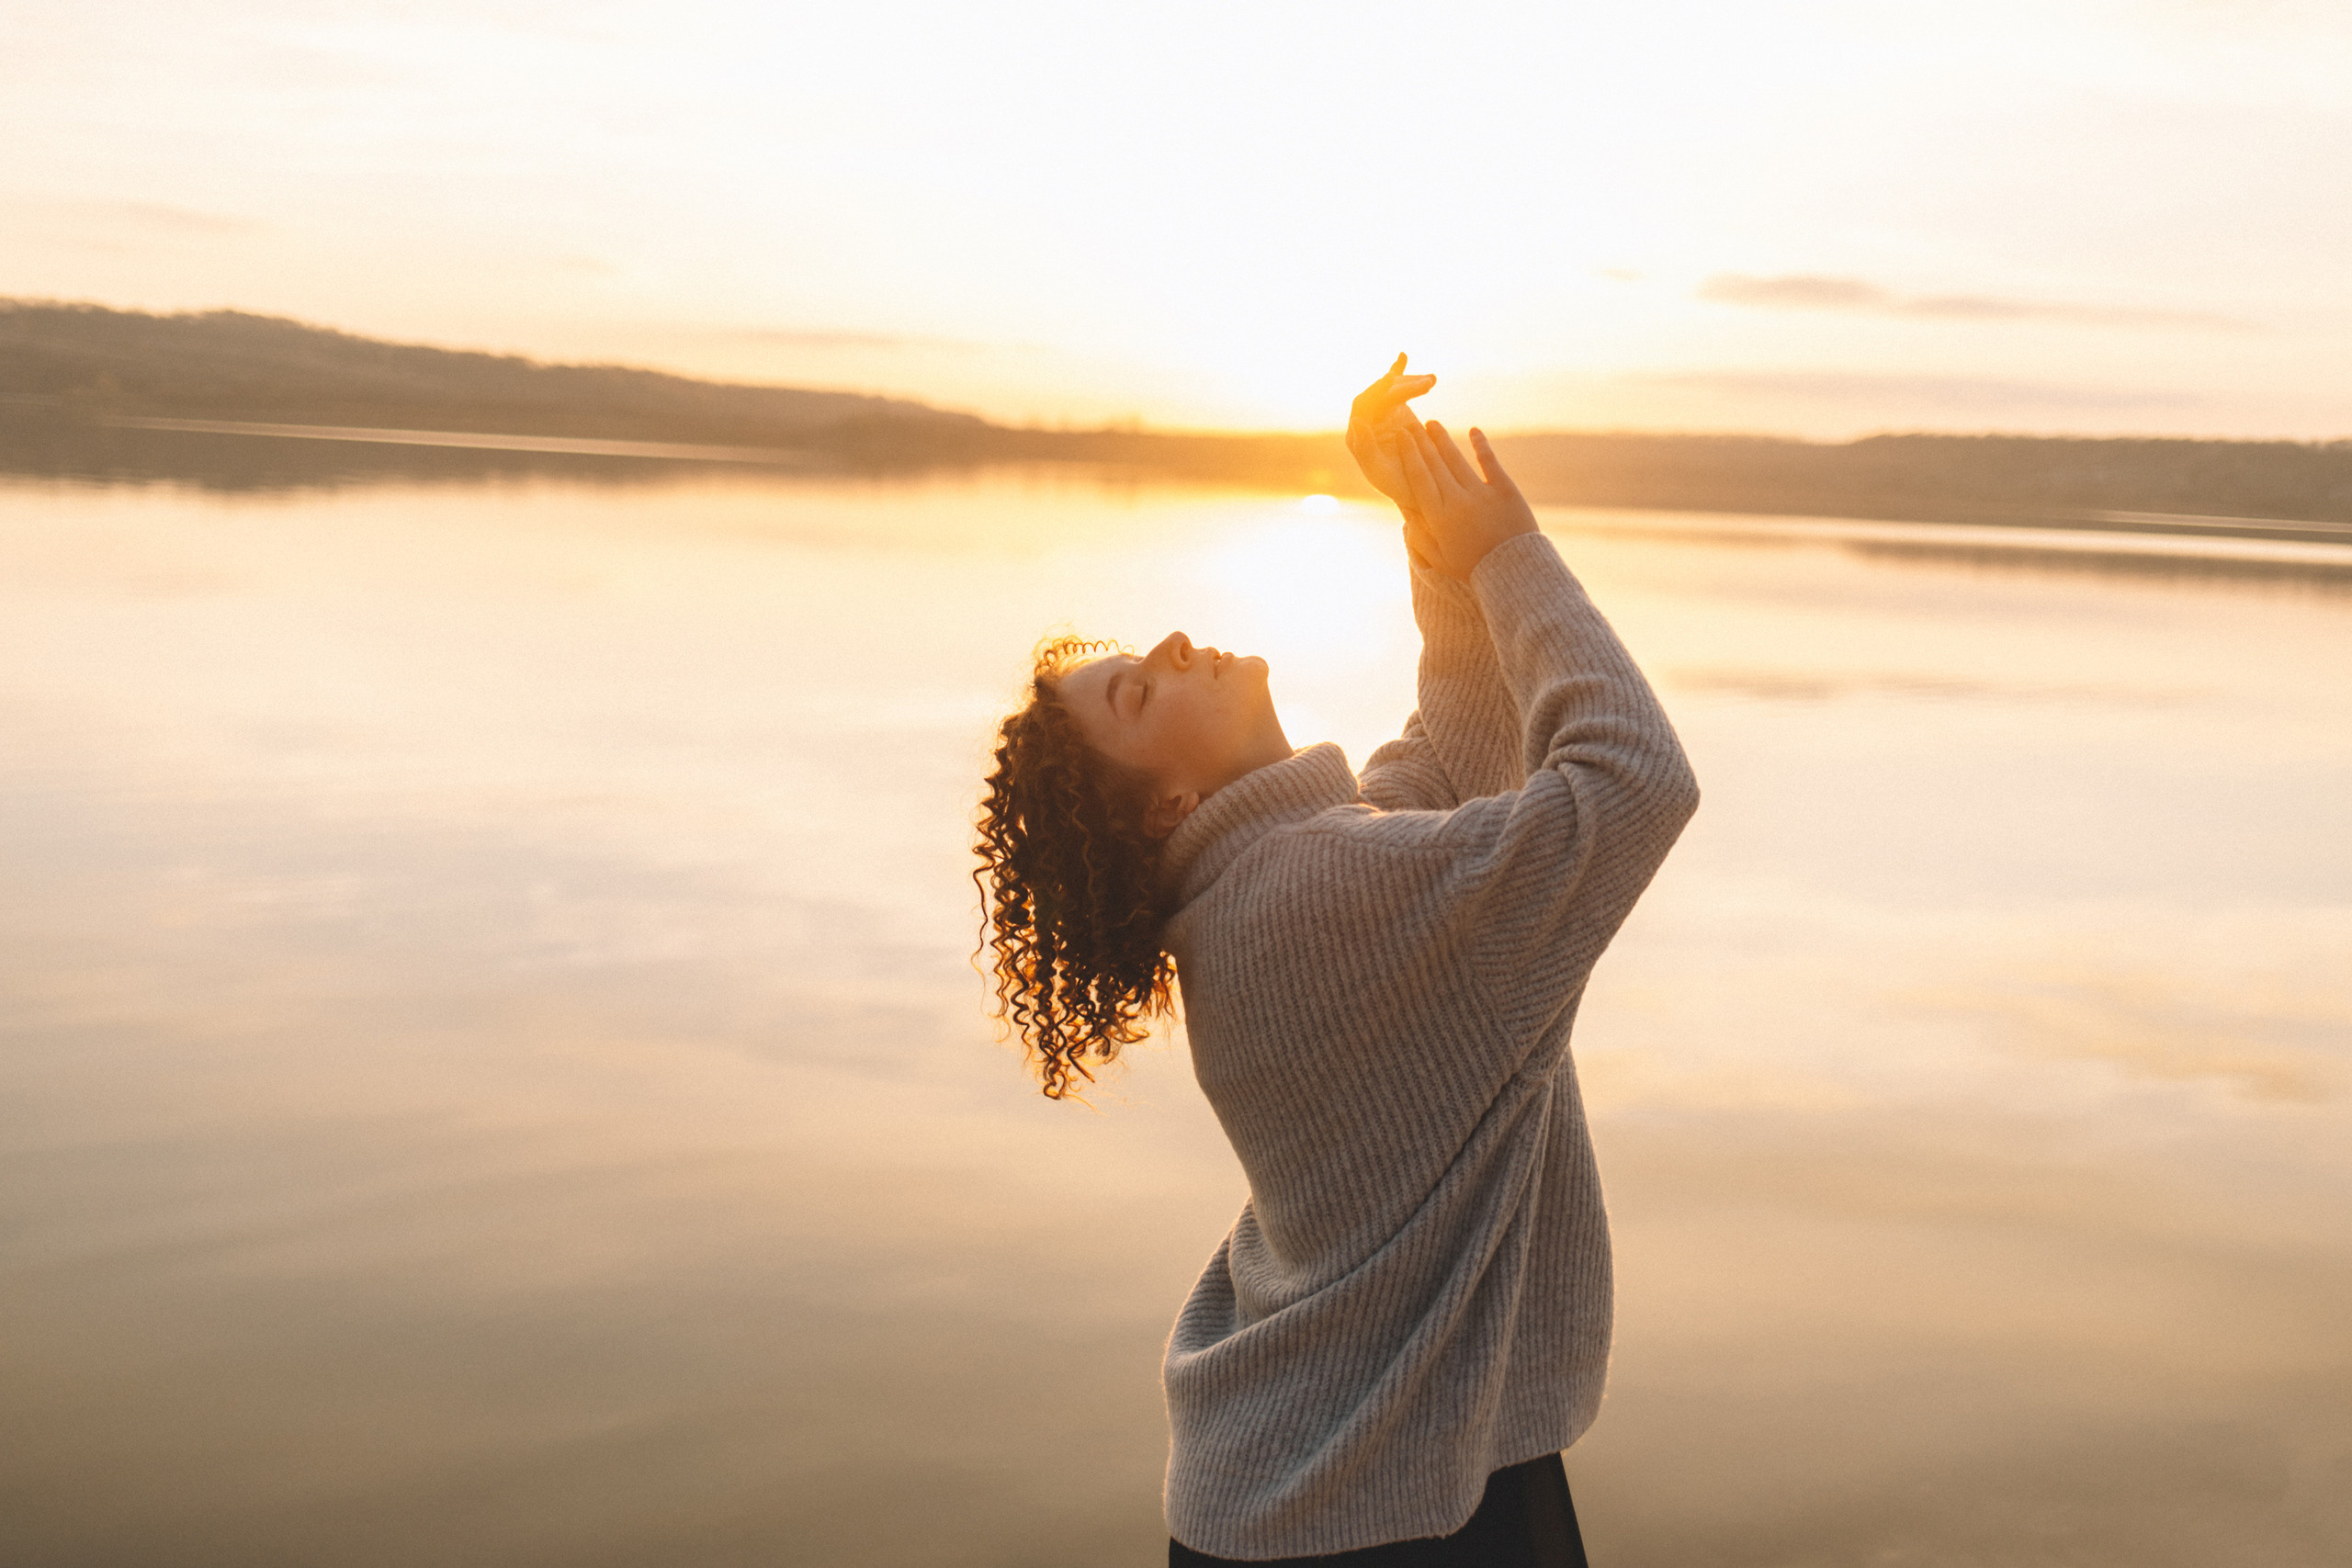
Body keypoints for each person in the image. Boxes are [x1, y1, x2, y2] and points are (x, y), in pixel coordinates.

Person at [972, 356, 1700, 1565]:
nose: (1172, 641)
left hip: (1340, 1489)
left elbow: (1454, 763)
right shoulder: (1315, 898)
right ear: (1170, 807)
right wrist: (1509, 553)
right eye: (1138, 693)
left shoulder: (1274, 885)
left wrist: (1437, 542)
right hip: (1386, 1517)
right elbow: (1633, 781)